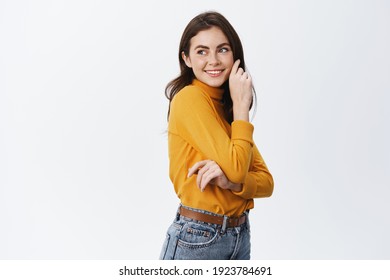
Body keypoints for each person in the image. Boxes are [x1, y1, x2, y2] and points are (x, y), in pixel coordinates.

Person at [159, 11, 274, 260]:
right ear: (186, 59)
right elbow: (236, 167)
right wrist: (242, 106)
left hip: (238, 235)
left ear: (235, 56)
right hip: (198, 237)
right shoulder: (189, 98)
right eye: (202, 51)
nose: (213, 60)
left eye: (222, 49)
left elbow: (266, 182)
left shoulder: (224, 107)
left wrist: (231, 184)